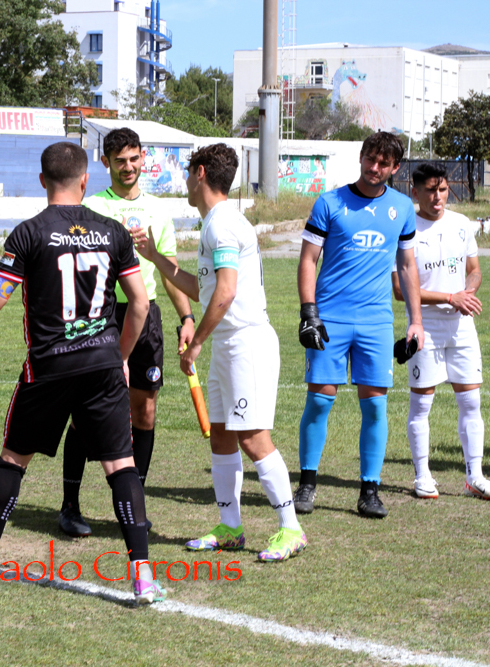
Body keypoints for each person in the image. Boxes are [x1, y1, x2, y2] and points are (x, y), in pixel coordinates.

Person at [0, 141, 164, 604]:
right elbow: (139, 303)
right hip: (102, 364)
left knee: (14, 459)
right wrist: (119, 355)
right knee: (121, 464)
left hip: (49, 366)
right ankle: (142, 576)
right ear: (85, 180)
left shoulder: (29, 233)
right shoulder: (112, 231)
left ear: (42, 181)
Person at [136, 143, 307, 562]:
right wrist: (155, 257)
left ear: (199, 173)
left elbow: (225, 293)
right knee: (223, 435)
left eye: (187, 173)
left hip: (246, 343)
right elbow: (205, 288)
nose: (184, 181)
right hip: (229, 345)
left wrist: (195, 342)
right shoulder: (215, 222)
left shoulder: (223, 225)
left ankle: (291, 529)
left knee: (252, 438)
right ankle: (230, 527)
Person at [56, 127, 195, 538]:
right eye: (120, 161)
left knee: (144, 411)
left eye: (134, 159)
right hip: (99, 317)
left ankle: (134, 505)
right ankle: (69, 505)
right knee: (87, 411)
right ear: (106, 163)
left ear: (143, 158)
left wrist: (186, 318)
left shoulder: (157, 210)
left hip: (145, 315)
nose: (129, 167)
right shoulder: (91, 207)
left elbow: (169, 271)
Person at [295, 131, 424, 518]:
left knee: (375, 408)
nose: (374, 167)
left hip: (376, 323)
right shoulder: (329, 202)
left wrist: (416, 322)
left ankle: (370, 491)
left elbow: (407, 266)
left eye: (384, 163)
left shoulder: (402, 208)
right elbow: (307, 260)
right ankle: (306, 485)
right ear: (361, 157)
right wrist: (309, 312)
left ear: (395, 168)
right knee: (319, 401)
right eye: (370, 158)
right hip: (330, 319)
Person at [392, 163, 487, 500]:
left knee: (471, 401)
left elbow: (474, 270)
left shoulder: (462, 224)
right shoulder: (405, 230)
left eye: (443, 189)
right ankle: (423, 476)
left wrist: (467, 292)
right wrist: (449, 297)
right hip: (425, 327)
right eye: (430, 190)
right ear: (414, 192)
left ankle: (475, 477)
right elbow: (400, 290)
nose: (438, 197)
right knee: (422, 404)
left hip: (461, 326)